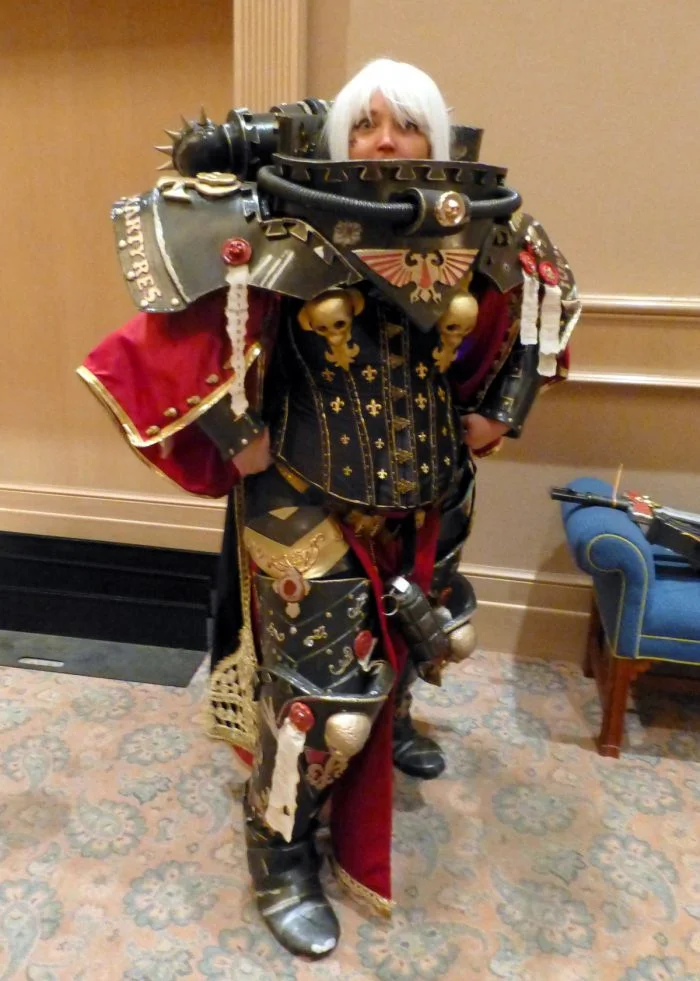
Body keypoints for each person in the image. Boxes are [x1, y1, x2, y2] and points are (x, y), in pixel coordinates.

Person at [79, 58, 579, 958]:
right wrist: (236, 433)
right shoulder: (276, 215)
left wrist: (501, 410)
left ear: (437, 135)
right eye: (367, 123)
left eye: (407, 124)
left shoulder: (480, 220)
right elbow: (160, 343)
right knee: (316, 697)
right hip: (300, 490)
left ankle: (392, 730)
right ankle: (278, 851)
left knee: (419, 636)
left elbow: (550, 300)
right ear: (337, 135)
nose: (386, 141)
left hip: (433, 487)